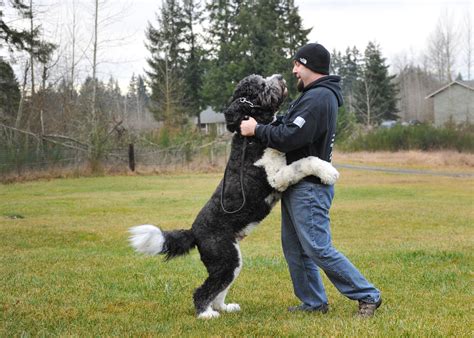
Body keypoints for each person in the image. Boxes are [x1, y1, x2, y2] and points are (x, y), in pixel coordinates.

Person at [240, 42, 382, 317]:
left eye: (297, 64)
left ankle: (368, 295)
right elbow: (285, 126)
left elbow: (292, 137)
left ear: (310, 66)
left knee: (317, 247)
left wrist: (256, 129)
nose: (293, 70)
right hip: (296, 183)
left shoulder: (319, 98)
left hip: (310, 188)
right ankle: (314, 302)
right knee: (295, 248)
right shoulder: (311, 96)